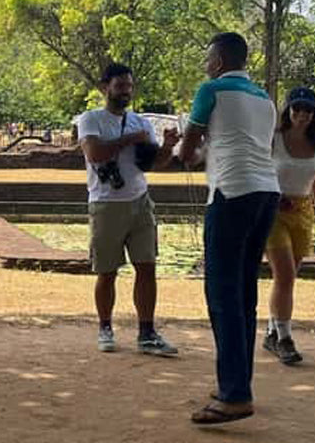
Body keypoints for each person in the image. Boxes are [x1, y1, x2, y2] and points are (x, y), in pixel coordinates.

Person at [174, 32, 281, 425]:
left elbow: (188, 152)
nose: (206, 65)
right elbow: (250, 145)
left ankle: (235, 393)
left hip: (231, 192)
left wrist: (178, 149)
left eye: (208, 57)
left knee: (221, 293)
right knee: (244, 293)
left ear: (218, 61)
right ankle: (238, 383)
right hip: (266, 192)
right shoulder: (264, 99)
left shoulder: (211, 90)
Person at [77, 63, 179, 358]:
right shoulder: (91, 119)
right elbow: (95, 153)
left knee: (147, 267)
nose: (126, 92)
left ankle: (147, 332)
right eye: (120, 86)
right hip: (106, 204)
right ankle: (105, 327)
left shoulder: (142, 123)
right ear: (104, 87)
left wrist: (168, 147)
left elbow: (151, 165)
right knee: (107, 271)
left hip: (140, 201)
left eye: (129, 86)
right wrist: (128, 139)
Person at [264, 87, 315, 365]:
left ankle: (272, 330)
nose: (302, 115)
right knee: (285, 276)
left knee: (289, 276)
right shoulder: (274, 139)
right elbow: (258, 170)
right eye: (297, 109)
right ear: (288, 110)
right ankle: (285, 337)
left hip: (303, 212)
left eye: (308, 111)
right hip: (274, 212)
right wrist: (273, 196)